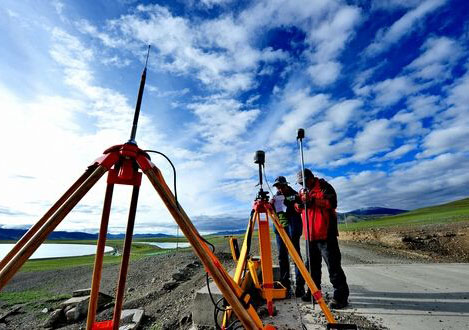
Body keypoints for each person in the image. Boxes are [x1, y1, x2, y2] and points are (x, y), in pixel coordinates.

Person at [295, 168, 350, 309]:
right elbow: (298, 207)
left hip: (326, 234)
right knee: (312, 267)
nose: (303, 185)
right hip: (310, 235)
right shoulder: (302, 192)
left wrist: (313, 200)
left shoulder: (325, 187)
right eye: (300, 183)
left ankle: (340, 297)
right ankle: (313, 291)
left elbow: (332, 203)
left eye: (305, 181)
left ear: (311, 178)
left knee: (333, 266)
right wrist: (300, 205)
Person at [270, 176, 305, 298]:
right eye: (277, 186)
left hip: (292, 227)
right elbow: (272, 211)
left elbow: (300, 205)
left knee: (295, 256)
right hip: (279, 229)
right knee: (282, 256)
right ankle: (285, 285)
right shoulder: (275, 198)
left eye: (281, 186)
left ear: (286, 184)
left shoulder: (295, 195)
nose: (279, 188)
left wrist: (294, 202)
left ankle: (300, 287)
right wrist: (270, 205)